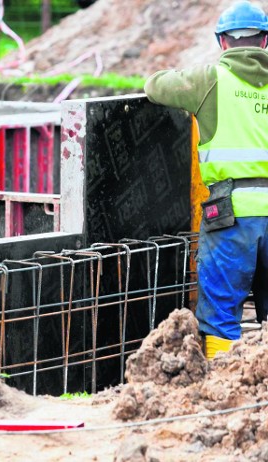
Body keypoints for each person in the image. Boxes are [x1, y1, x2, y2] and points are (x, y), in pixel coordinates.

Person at [144, 0, 268, 359]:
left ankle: (223, 388)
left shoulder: (210, 79)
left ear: (222, 42)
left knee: (220, 318)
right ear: (263, 41)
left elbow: (155, 86)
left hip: (231, 215)